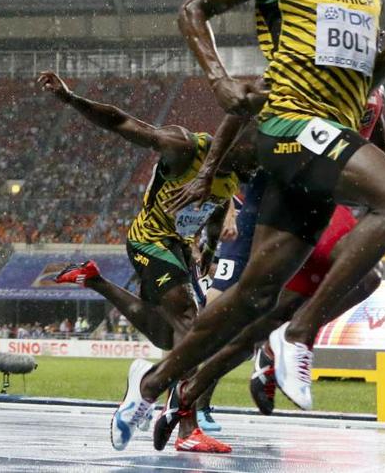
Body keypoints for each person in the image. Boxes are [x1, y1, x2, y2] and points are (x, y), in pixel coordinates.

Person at [111, 0, 385, 450]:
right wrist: (219, 78)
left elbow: (360, 86)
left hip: (326, 133)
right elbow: (194, 7)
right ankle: (299, 334)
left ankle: (149, 384)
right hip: (288, 125)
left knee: (253, 298)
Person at [151, 86, 385, 448]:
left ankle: (188, 395)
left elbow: (379, 148)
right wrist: (208, 174)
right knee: (231, 310)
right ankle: (162, 391)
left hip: (317, 198)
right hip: (277, 192)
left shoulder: (372, 86)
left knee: (273, 316)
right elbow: (242, 109)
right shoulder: (311, 72)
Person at [37, 70, 255, 453]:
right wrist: (72, 99)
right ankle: (186, 426)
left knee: (166, 335)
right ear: (230, 143)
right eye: (252, 152)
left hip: (181, 247)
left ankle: (95, 281)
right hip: (150, 239)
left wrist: (210, 247)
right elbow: (121, 121)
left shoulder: (237, 171)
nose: (254, 166)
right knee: (191, 323)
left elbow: (217, 209)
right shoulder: (184, 146)